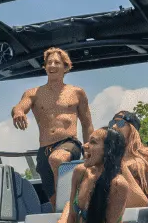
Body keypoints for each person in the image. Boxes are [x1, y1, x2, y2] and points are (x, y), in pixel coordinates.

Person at [10, 47, 93, 207]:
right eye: (49, 63)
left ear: (66, 67)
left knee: (57, 159)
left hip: (69, 144)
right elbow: (20, 107)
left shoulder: (77, 92)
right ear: (45, 66)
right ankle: (65, 216)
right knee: (55, 202)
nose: (52, 65)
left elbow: (87, 123)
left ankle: (70, 209)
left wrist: (90, 150)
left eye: (56, 62)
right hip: (44, 150)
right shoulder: (33, 93)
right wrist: (18, 112)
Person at [106, 109, 148, 208]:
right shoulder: (106, 156)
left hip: (139, 207)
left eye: (120, 123)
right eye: (112, 123)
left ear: (132, 128)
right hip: (112, 208)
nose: (114, 126)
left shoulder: (147, 155)